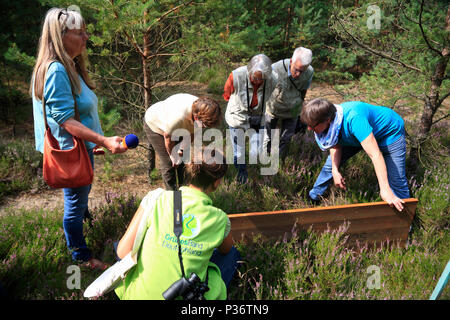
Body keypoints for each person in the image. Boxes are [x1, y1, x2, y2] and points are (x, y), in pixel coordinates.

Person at [31, 8, 128, 269]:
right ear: (60, 36)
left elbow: (75, 114)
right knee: (74, 206)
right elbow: (66, 121)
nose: (86, 37)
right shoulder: (56, 71)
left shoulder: (69, 66)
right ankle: (81, 259)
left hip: (80, 148)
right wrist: (104, 139)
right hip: (70, 153)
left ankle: (85, 233)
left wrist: (92, 142)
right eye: (79, 33)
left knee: (77, 199)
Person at [114, 150, 241, 300]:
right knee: (233, 254)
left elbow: (122, 252)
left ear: (189, 169)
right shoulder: (219, 218)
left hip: (137, 296)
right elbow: (226, 249)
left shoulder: (157, 198)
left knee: (118, 244)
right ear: (217, 182)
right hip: (188, 294)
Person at [301, 98, 410, 211]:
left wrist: (385, 190)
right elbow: (335, 145)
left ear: (327, 120)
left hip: (389, 132)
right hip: (358, 136)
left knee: (397, 181)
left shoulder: (354, 119)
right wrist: (335, 170)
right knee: (330, 167)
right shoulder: (332, 122)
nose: (309, 129)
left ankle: (405, 221)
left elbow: (375, 155)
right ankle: (313, 198)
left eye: (312, 125)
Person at [143, 94, 222, 190]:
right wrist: (173, 155)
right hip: (156, 125)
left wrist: (181, 150)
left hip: (178, 125)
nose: (205, 127)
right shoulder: (177, 118)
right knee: (169, 163)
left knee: (184, 160)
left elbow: (193, 134)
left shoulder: (203, 111)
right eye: (205, 125)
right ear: (196, 118)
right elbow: (168, 138)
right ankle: (173, 197)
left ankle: (184, 191)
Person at [223, 54, 277, 183]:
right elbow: (226, 95)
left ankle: (256, 172)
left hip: (258, 118)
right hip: (238, 118)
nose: (258, 81)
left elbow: (270, 94)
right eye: (255, 78)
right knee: (239, 152)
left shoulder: (273, 78)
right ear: (249, 71)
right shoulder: (236, 76)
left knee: (258, 150)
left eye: (262, 79)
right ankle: (242, 177)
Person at [263, 47, 314, 161]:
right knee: (268, 136)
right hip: (273, 107)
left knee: (286, 137)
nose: (298, 74)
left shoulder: (310, 71)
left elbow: (303, 90)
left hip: (294, 108)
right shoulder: (275, 69)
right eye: (296, 69)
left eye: (302, 71)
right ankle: (265, 159)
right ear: (291, 61)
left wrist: (301, 106)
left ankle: (279, 160)